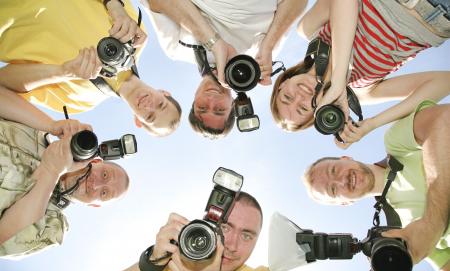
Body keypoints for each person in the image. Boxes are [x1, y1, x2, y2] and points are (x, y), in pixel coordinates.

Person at [302, 100, 450, 271]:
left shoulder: (397, 142)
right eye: (333, 189)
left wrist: (432, 224)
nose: (341, 180)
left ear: (347, 158)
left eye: (334, 170)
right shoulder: (403, 235)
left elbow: (443, 118)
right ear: (346, 203)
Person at [271, 0, 449, 147]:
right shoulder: (363, 91)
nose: (299, 97)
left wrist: (338, 80)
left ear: (284, 83)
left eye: (287, 97)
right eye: (303, 108)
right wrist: (372, 124)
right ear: (318, 111)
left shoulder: (310, 30)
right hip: (441, 17)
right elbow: (444, 82)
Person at [0, 0, 181, 137]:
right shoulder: (137, 34)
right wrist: (116, 8)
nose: (150, 106)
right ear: (164, 92)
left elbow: (5, 80)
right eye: (160, 105)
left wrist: (63, 72)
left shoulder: (81, 102)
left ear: (138, 122)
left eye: (149, 117)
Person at [88, 192, 304, 271]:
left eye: (247, 236)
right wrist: (151, 263)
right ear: (207, 225)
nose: (232, 244)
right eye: (226, 228)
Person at [142, 0, 307, 138]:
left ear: (194, 99)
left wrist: (213, 41)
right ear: (232, 104)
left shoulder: (176, 50)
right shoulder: (260, 59)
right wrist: (269, 45)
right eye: (219, 109)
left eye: (202, 108)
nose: (211, 100)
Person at [0, 85, 130, 258]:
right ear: (96, 161)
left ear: (94, 205)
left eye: (104, 192)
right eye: (104, 175)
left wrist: (51, 171)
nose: (96, 184)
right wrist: (52, 125)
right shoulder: (38, 130)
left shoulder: (52, 224)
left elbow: (3, 239)